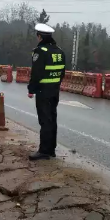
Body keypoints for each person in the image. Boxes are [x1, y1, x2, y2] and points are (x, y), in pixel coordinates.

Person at [27, 23, 66, 160]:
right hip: (54, 91)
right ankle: (51, 149)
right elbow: (62, 73)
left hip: (43, 92)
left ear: (39, 36)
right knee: (52, 119)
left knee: (45, 121)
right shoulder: (59, 51)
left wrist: (31, 89)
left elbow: (36, 73)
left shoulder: (40, 51)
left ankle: (44, 151)